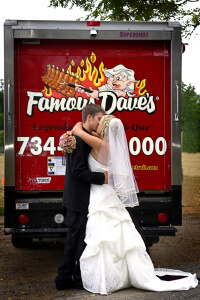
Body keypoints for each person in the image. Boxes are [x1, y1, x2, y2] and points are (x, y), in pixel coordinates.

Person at [72, 115, 199, 295]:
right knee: (112, 236)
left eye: (100, 124)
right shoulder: (106, 145)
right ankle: (117, 275)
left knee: (102, 237)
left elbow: (77, 130)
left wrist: (80, 126)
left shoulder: (100, 145)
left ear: (105, 129)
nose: (97, 126)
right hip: (106, 195)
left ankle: (106, 279)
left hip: (101, 196)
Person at [55, 103, 107, 290]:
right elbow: (78, 171)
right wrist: (103, 178)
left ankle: (65, 278)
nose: (101, 122)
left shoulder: (83, 136)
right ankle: (75, 279)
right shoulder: (77, 139)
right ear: (89, 117)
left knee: (74, 239)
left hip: (78, 197)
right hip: (77, 198)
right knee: (77, 241)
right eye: (99, 119)